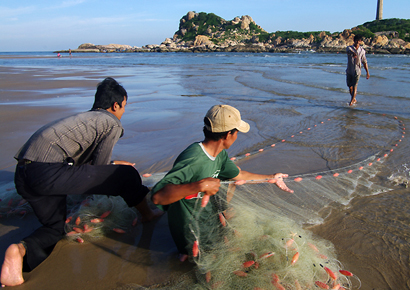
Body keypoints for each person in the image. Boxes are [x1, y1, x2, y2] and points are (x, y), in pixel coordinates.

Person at [0, 77, 162, 287]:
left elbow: (81, 163)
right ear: (115, 105)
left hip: (24, 173)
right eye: (124, 107)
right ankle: (148, 214)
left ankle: (19, 251)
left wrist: (111, 163)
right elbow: (100, 167)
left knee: (53, 228)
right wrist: (118, 167)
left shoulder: (83, 119)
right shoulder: (110, 122)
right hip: (48, 173)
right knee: (127, 175)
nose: (122, 112)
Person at [151, 104, 293, 260]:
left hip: (208, 218)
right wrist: (199, 185)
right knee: (204, 261)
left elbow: (239, 175)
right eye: (237, 132)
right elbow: (158, 197)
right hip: (190, 230)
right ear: (228, 135)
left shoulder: (220, 155)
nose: (237, 136)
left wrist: (272, 177)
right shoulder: (194, 158)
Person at [346, 34, 370, 106]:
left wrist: (367, 72)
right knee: (349, 86)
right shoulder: (349, 48)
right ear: (354, 41)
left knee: (355, 86)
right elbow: (348, 51)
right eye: (356, 41)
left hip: (357, 71)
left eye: (358, 41)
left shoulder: (362, 51)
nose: (357, 42)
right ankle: (354, 98)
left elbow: (364, 62)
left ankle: (351, 101)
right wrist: (353, 53)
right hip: (349, 70)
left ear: (360, 42)